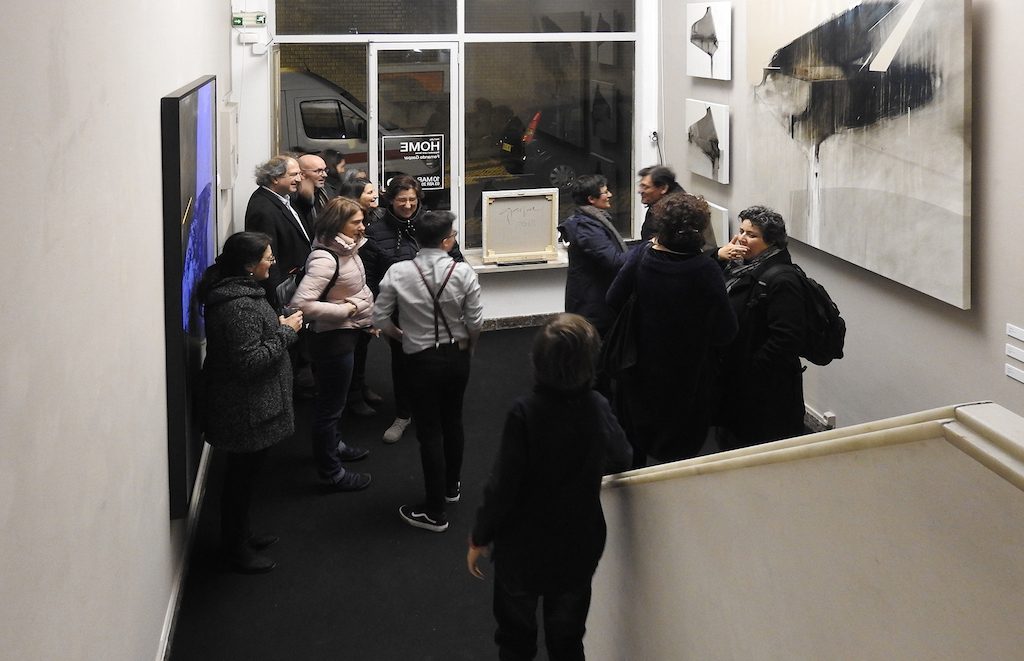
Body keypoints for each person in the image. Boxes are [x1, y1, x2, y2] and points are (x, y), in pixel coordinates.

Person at [467, 314, 632, 660]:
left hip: (521, 551)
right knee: (568, 640)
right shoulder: (598, 407)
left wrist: (480, 536)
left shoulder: (525, 413)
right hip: (577, 547)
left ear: (538, 362)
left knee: (515, 638)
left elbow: (502, 486)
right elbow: (622, 456)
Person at [197, 232, 304, 574]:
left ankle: (241, 534)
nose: (273, 263)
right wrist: (287, 331)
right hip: (245, 408)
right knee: (239, 482)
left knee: (245, 479)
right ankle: (235, 547)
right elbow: (249, 361)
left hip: (251, 405)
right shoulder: (238, 306)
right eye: (268, 258)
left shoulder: (242, 294)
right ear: (248, 265)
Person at [607, 193, 738, 467]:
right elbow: (726, 331)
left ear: (661, 226)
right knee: (680, 446)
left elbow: (613, 298)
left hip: (639, 362)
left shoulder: (642, 256)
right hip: (688, 371)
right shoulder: (706, 269)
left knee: (635, 437)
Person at [373, 211, 483, 533]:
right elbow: (475, 321)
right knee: (453, 421)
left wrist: (400, 336)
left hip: (419, 360)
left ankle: (434, 511)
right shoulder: (463, 272)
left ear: (417, 239)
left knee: (429, 432)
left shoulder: (398, 272)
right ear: (447, 241)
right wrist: (469, 347)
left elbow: (379, 318)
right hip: (456, 356)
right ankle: (451, 488)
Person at [362, 175, 465, 444]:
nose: (408, 205)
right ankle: (403, 414)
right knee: (403, 365)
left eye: (412, 199)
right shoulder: (375, 232)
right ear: (390, 200)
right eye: (401, 200)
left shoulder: (435, 225)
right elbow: (369, 278)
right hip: (400, 313)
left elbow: (457, 261)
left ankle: (436, 412)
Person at [288, 197, 374, 492]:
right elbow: (301, 304)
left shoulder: (347, 248)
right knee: (330, 407)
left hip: (345, 334)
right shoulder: (326, 259)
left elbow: (355, 286)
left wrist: (363, 311)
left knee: (334, 403)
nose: (363, 227)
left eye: (362, 221)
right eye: (356, 222)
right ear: (338, 224)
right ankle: (332, 472)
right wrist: (348, 309)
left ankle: (334, 446)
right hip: (332, 340)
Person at [713, 206, 807, 449]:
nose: (742, 238)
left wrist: (749, 370)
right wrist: (718, 256)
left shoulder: (782, 279)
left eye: (752, 235)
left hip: (764, 391)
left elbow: (786, 338)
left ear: (771, 241)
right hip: (737, 380)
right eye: (741, 231)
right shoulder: (739, 266)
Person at [557, 174, 628, 338]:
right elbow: (614, 260)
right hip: (592, 309)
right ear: (591, 199)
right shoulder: (587, 227)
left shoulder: (593, 221)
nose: (610, 194)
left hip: (594, 303)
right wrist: (644, 249)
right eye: (605, 192)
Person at [336, 177, 384, 417]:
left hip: (367, 291)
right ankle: (352, 397)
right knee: (351, 351)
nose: (375, 195)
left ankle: (360, 387)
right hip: (350, 297)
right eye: (369, 192)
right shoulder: (343, 226)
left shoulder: (374, 218)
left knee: (362, 349)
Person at [243, 155, 311, 308]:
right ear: (275, 178)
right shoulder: (263, 209)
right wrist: (277, 302)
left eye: (300, 174)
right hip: (284, 292)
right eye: (294, 174)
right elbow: (268, 258)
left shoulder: (286, 198)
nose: (299, 179)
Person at [636, 165, 684, 241]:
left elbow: (654, 243)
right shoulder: (658, 202)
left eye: (645, 187)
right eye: (641, 186)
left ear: (663, 188)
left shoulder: (673, 212)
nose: (640, 191)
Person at [293, 153, 332, 225]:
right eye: (318, 171)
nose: (324, 175)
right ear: (302, 174)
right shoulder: (292, 197)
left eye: (325, 170)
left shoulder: (328, 191)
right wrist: (306, 197)